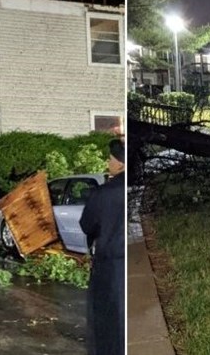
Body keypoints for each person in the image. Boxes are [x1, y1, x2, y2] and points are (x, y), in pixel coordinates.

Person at [79, 138, 125, 355]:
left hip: (109, 267)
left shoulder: (104, 193)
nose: (108, 162)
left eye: (111, 158)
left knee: (106, 324)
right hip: (126, 260)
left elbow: (86, 224)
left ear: (120, 164)